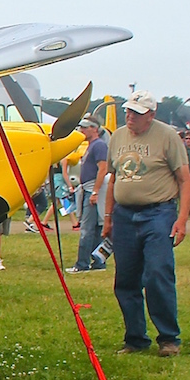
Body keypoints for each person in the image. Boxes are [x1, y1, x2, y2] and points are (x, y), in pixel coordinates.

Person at [102, 90, 190, 356]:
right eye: (128, 111)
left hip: (158, 213)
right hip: (124, 215)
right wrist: (108, 218)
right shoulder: (117, 137)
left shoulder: (167, 137)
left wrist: (182, 219)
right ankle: (135, 339)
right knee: (126, 280)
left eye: (137, 113)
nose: (130, 117)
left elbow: (185, 180)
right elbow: (113, 179)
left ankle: (168, 338)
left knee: (157, 273)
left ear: (151, 115)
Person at [66, 116, 109, 273]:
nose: (82, 130)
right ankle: (98, 261)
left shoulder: (99, 146)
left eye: (85, 127)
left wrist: (95, 192)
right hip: (88, 188)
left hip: (92, 189)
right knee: (95, 228)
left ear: (95, 129)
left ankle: (82, 264)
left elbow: (102, 169)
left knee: (87, 229)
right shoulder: (92, 146)